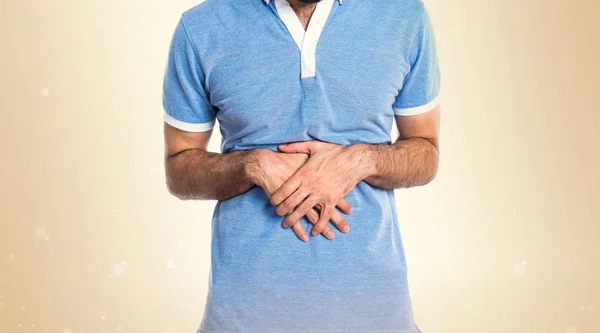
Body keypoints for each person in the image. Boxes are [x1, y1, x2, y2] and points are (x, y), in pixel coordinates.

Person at [162, 0, 441, 331]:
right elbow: (179, 169)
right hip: (245, 316)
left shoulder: (404, 16)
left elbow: (426, 151)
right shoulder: (200, 28)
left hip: (374, 313)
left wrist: (360, 160)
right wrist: (251, 164)